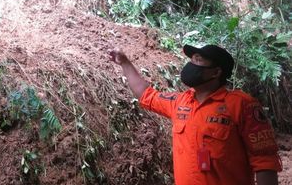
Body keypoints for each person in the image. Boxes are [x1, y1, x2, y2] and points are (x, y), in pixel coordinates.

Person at [109, 44, 282, 185]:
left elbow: (265, 160)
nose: (191, 64)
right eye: (191, 59)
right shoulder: (180, 102)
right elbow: (146, 95)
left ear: (216, 72)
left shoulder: (241, 105)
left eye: (198, 60)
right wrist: (124, 62)